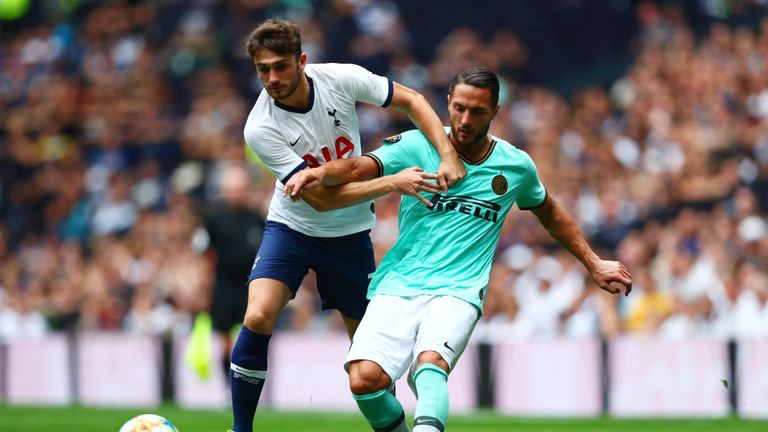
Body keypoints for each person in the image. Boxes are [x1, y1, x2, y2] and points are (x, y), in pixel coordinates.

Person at [284, 66, 632, 431]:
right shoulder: (417, 145)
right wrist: (318, 172)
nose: (465, 120)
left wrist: (593, 263)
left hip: (459, 289)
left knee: (430, 366)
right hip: (400, 282)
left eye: (478, 111)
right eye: (459, 108)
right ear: (447, 104)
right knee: (364, 380)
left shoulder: (515, 165)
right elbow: (357, 168)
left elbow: (549, 210)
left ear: (496, 111)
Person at [232, 19, 466, 432]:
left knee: (367, 358)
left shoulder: (340, 79)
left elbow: (411, 99)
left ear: (302, 61)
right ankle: (241, 429)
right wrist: (392, 183)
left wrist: (447, 155)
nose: (272, 77)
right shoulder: (260, 127)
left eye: (281, 66)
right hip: (292, 229)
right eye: (262, 69)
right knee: (257, 317)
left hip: (350, 236)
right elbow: (320, 202)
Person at [197, 164, 265, 381]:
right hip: (224, 286)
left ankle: (251, 383)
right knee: (224, 338)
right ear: (226, 191)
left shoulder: (256, 219)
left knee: (253, 337)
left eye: (242, 188)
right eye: (234, 189)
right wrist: (204, 287)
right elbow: (205, 254)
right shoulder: (214, 220)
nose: (238, 193)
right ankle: (229, 386)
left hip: (250, 286)